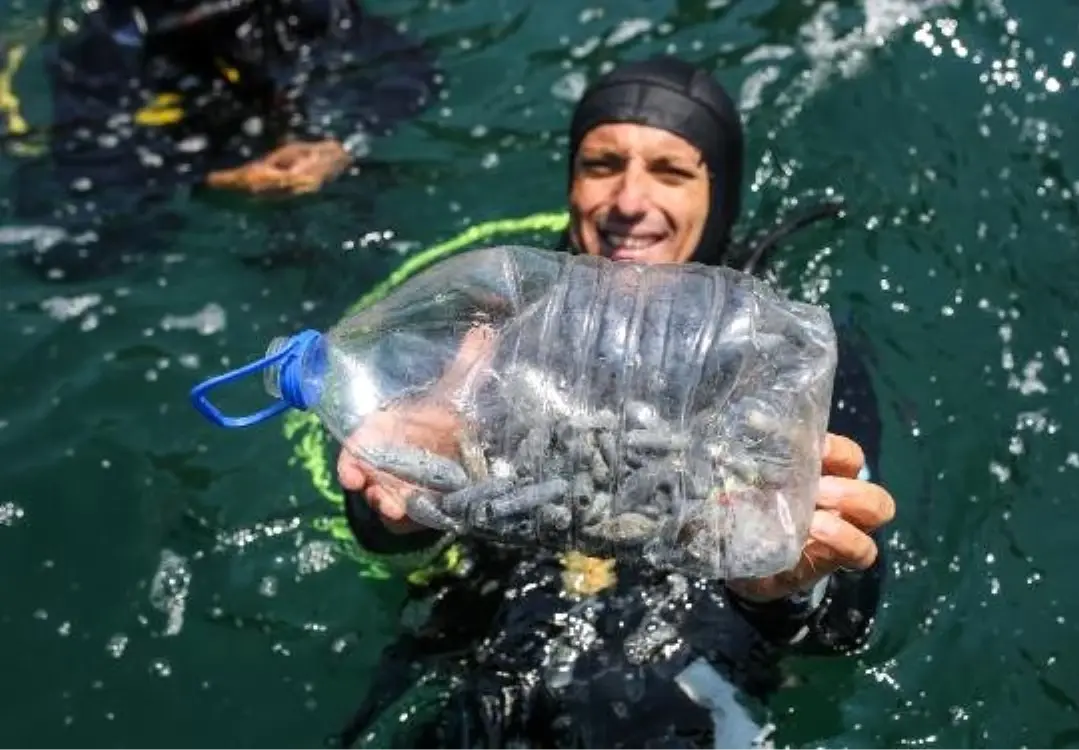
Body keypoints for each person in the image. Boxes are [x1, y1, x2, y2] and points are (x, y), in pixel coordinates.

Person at [334, 56, 896, 748]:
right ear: (571, 180)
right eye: (602, 164)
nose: (629, 201)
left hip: (689, 662)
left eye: (671, 171)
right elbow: (381, 523)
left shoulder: (793, 359)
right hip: (487, 636)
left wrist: (781, 587)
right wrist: (404, 500)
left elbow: (846, 627)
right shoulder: (485, 321)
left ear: (719, 193)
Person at [3, 0, 439, 281]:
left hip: (280, 118)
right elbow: (89, 165)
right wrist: (216, 178)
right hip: (178, 137)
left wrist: (341, 143)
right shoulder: (97, 39)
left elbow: (408, 70)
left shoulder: (297, 9)